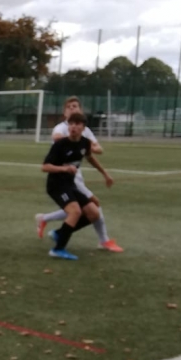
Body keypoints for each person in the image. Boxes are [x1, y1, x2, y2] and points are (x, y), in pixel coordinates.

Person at [35, 97, 122, 252]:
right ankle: (103, 241)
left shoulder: (85, 132)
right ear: (64, 113)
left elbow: (96, 151)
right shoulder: (62, 128)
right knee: (83, 208)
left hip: (74, 178)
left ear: (81, 110)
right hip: (62, 179)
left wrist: (104, 173)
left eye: (75, 106)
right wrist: (75, 139)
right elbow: (56, 137)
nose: (72, 109)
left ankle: (49, 223)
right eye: (69, 107)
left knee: (83, 209)